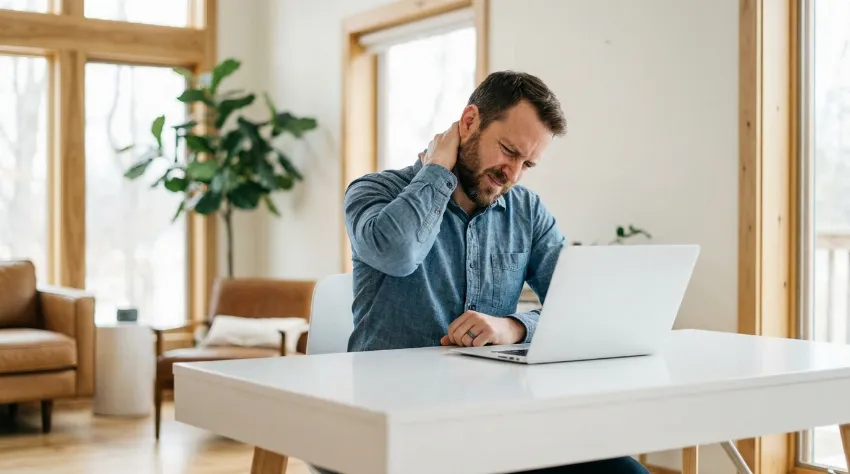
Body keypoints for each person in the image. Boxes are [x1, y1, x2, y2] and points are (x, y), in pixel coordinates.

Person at [328, 71, 649, 474]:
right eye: (509, 151)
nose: (512, 174)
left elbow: (580, 309)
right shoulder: (373, 191)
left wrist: (513, 327)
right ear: (469, 122)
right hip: (393, 423)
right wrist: (439, 170)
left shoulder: (526, 212)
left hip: (493, 420)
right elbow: (398, 253)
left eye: (527, 164)